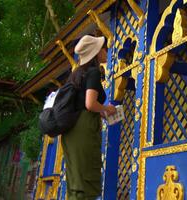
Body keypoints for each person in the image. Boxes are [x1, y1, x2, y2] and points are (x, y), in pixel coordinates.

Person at [62, 35, 116, 200]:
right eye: (103, 48)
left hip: (71, 130)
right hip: (83, 129)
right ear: (96, 52)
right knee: (85, 180)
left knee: (75, 182)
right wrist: (107, 109)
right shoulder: (93, 72)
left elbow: (82, 103)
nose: (106, 51)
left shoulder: (77, 73)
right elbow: (90, 104)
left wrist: (101, 112)